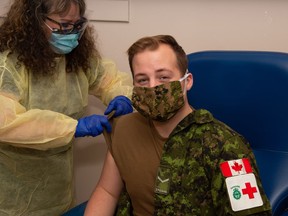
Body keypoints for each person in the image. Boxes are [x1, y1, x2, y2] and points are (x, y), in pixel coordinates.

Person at [84, 35, 272, 215]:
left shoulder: (225, 146)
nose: (153, 87)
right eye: (142, 80)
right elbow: (107, 192)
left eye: (163, 77)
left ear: (187, 81)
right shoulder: (124, 129)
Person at [0, 0, 133, 215]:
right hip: (13, 194)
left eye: (77, 25)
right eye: (63, 25)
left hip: (58, 187)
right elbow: (6, 121)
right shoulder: (8, 65)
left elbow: (109, 80)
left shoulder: (78, 58)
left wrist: (121, 96)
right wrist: (71, 127)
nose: (71, 33)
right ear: (35, 20)